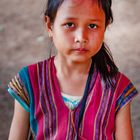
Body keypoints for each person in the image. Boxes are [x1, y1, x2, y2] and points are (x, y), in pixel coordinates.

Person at [7, 0, 138, 139]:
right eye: (69, 24)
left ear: (105, 27)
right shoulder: (29, 81)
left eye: (93, 26)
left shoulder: (117, 87)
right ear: (49, 25)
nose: (81, 37)